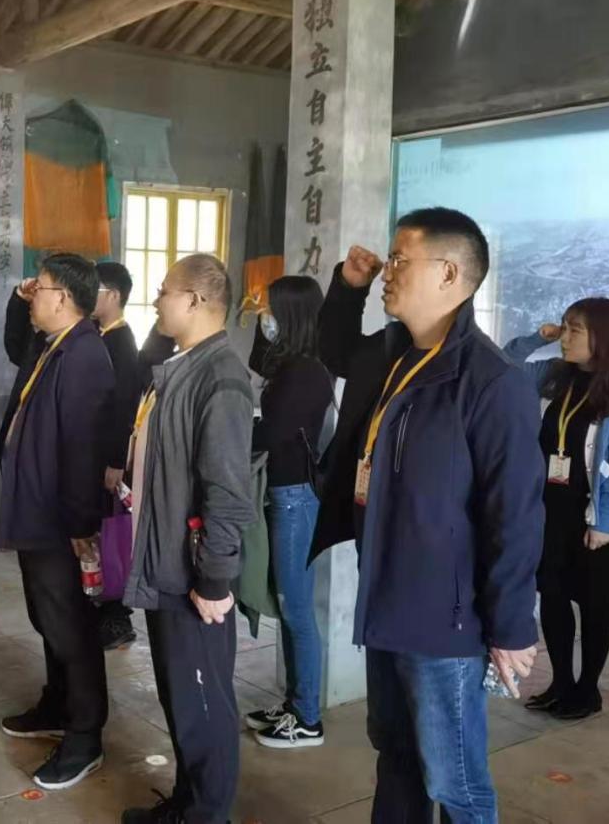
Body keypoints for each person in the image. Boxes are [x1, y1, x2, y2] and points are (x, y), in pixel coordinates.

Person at [311, 208, 544, 823]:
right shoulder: (395, 353)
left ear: (448, 273)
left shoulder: (490, 381)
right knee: (396, 753)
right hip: (387, 595)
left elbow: (514, 514)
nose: (387, 272)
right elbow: (332, 350)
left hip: (446, 617)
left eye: (399, 260)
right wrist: (348, 288)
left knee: (455, 780)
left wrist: (512, 625)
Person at [117, 255, 256, 824]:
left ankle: (206, 814)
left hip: (192, 574)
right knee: (181, 696)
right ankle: (187, 804)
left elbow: (226, 490)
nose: (156, 301)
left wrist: (215, 578)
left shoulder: (220, 376)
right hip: (166, 563)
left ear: (196, 300)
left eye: (165, 292)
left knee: (203, 703)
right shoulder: (183, 364)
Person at [0, 253, 116, 791]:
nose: (33, 296)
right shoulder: (56, 345)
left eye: (40, 289)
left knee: (71, 627)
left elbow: (83, 451)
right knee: (48, 617)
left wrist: (79, 526)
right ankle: (57, 703)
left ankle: (85, 735)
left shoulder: (85, 355)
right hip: (38, 510)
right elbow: (17, 347)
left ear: (64, 298)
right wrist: (21, 301)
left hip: (59, 520)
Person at [504, 299, 609, 721]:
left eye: (575, 330)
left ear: (602, 338)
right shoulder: (557, 376)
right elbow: (504, 365)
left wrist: (604, 520)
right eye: (565, 327)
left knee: (592, 604)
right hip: (548, 508)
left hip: (590, 515)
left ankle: (588, 690)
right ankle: (561, 684)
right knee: (552, 597)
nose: (565, 338)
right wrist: (538, 337)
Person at [243, 275, 337, 749]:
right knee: (288, 604)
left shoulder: (307, 372)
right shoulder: (291, 364)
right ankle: (293, 704)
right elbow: (257, 362)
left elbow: (275, 432)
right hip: (285, 492)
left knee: (297, 608)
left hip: (296, 496)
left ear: (292, 313)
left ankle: (307, 717)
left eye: (271, 307)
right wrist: (260, 324)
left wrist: (228, 435)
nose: (265, 315)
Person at [94, 261, 150, 651]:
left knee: (110, 538)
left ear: (113, 295)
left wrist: (116, 461)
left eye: (94, 289)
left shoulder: (121, 342)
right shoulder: (99, 335)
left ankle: (117, 618)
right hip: (96, 455)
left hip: (109, 461)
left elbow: (125, 406)